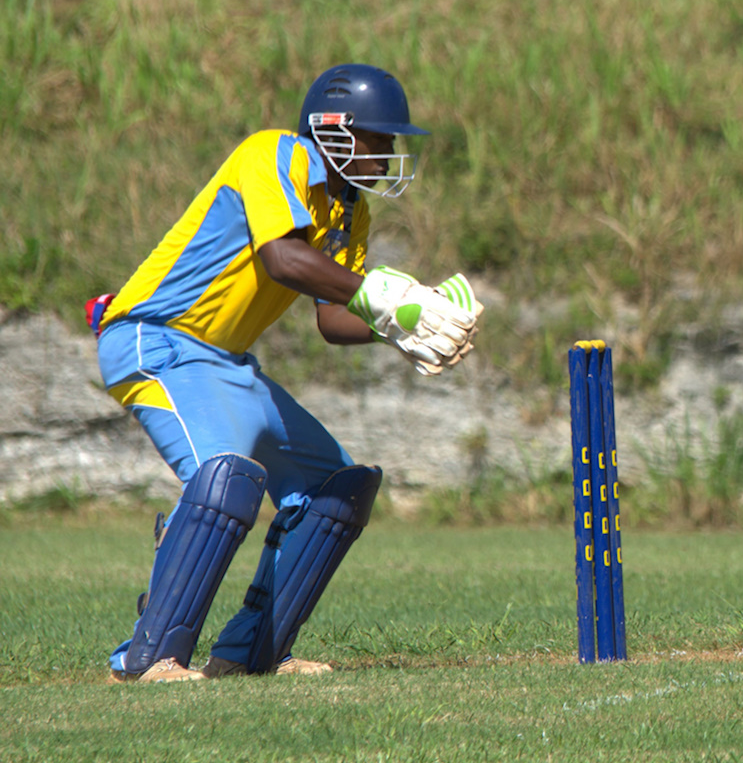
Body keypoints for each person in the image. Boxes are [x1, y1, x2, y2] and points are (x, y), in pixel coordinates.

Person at [94, 63, 484, 682]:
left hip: (226, 362)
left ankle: (251, 653)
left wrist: (405, 319)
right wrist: (383, 298)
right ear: (332, 129)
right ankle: (147, 657)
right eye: (377, 140)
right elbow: (283, 259)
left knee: (337, 488)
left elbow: (332, 318)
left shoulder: (349, 210)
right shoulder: (275, 155)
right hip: (156, 340)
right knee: (225, 481)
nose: (386, 156)